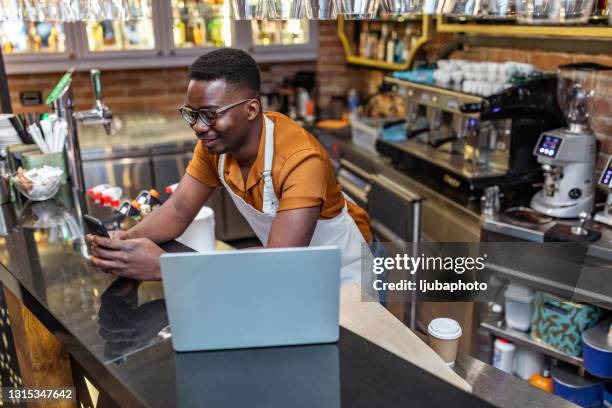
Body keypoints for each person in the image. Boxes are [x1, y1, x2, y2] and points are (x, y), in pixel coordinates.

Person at [87, 48, 373, 285]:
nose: (199, 127)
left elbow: (281, 260)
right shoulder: (215, 148)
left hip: (346, 276)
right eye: (193, 114)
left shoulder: (301, 159)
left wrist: (166, 267)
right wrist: (124, 241)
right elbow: (177, 210)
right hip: (294, 275)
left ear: (251, 109)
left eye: (210, 115)